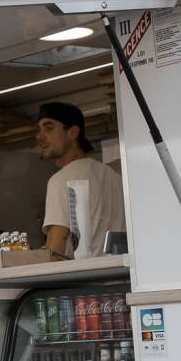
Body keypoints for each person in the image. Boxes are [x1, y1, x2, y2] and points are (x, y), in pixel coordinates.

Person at [37, 101, 125, 259]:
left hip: (85, 274)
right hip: (121, 272)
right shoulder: (115, 178)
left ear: (73, 132)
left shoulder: (61, 180)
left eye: (48, 128)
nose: (39, 136)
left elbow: (54, 253)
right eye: (39, 129)